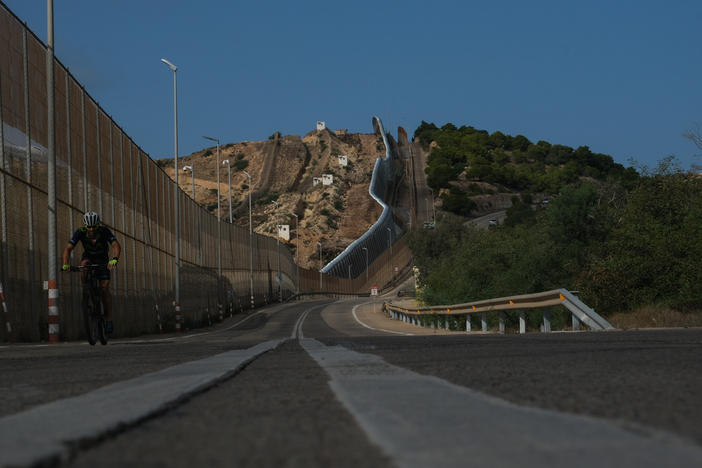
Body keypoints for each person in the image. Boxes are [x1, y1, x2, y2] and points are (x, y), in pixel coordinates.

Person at [62, 211, 121, 334]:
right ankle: (86, 288)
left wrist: (114, 259)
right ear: (85, 226)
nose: (92, 229)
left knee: (104, 289)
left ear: (98, 225)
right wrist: (65, 264)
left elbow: (116, 245)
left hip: (102, 260)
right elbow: (68, 248)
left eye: (94, 226)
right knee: (83, 265)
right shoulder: (80, 232)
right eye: (89, 227)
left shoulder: (104, 231)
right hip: (88, 257)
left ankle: (109, 320)